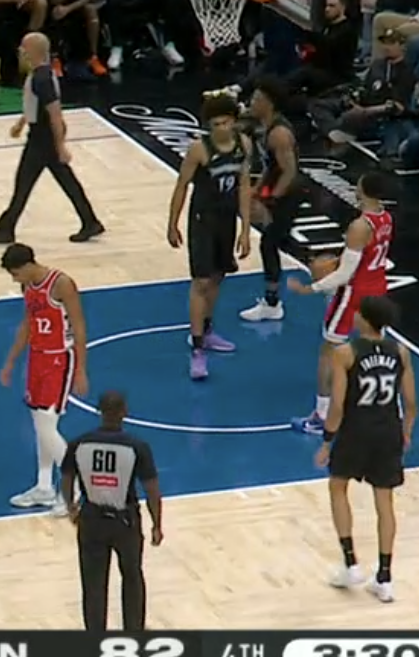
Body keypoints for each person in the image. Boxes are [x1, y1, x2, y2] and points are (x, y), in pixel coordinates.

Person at [315, 295, 416, 603]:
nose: (354, 315)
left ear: (365, 318)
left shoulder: (345, 353)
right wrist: (406, 433)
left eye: (358, 311)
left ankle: (351, 564)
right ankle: (384, 578)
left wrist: (327, 441)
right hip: (388, 431)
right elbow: (411, 403)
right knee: (385, 502)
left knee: (337, 487)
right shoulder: (400, 351)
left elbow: (337, 405)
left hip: (356, 431)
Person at [291, 173, 394, 433]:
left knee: (329, 352)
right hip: (378, 290)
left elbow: (345, 274)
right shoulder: (385, 217)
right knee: (373, 350)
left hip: (354, 294)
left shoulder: (359, 226)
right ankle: (378, 407)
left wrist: (309, 288)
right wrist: (337, 261)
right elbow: (364, 257)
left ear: (363, 190)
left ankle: (322, 416)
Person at [0, 32, 104, 245]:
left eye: (24, 47)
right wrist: (21, 123)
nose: (20, 50)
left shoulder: (42, 78)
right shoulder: (39, 74)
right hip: (40, 135)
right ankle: (89, 221)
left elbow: (55, 114)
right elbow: (34, 104)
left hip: (43, 138)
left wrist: (60, 146)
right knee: (58, 181)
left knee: (26, 183)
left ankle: (6, 228)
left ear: (33, 51)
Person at [166, 92, 251, 380]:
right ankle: (197, 347)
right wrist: (172, 223)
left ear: (234, 121)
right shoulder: (198, 149)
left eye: (226, 122)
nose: (222, 128)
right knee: (201, 280)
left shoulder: (244, 144)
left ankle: (207, 329)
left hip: (227, 219)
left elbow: (244, 186)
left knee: (217, 276)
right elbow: (181, 186)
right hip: (202, 219)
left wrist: (246, 230)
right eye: (216, 124)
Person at [60, 390, 160, 632]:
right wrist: (157, 524)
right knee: (132, 578)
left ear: (99, 411)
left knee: (93, 584)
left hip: (91, 519)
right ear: (125, 412)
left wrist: (71, 507)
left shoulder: (79, 444)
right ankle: (133, 633)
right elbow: (152, 490)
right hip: (125, 522)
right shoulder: (137, 446)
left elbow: (66, 478)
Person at [0, 243, 90, 508]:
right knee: (40, 423)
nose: (15, 279)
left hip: (60, 358)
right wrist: (11, 361)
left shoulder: (61, 284)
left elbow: (79, 326)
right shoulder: (27, 286)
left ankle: (74, 489)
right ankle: (44, 487)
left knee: (46, 426)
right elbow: (27, 324)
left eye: (16, 273)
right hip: (37, 357)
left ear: (28, 265)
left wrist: (81, 369)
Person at [240, 78, 303, 322]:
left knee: (269, 244)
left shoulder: (279, 133)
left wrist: (272, 199)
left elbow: (289, 171)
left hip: (288, 193)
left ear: (269, 103)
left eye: (257, 99)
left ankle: (272, 303)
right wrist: (257, 190)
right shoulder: (266, 126)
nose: (252, 102)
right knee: (275, 242)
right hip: (278, 190)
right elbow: (270, 165)